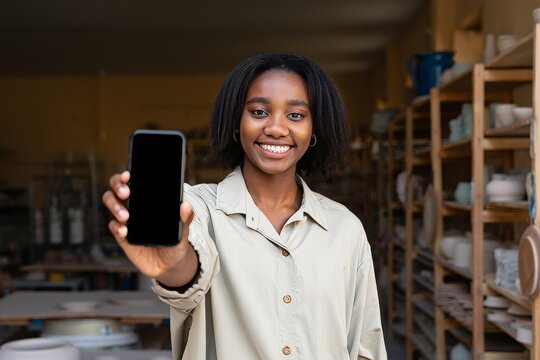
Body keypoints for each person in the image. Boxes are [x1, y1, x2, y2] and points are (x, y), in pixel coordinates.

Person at [102, 53, 386, 359]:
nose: (276, 128)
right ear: (236, 122)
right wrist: (172, 262)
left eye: (296, 115)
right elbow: (188, 269)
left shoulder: (345, 229)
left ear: (314, 130)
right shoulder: (198, 208)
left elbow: (364, 348)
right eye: (259, 111)